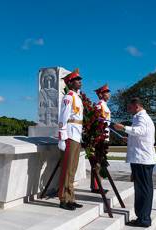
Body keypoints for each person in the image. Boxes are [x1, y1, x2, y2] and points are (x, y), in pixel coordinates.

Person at [113, 97, 156, 227]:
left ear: (136, 106)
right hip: (141, 159)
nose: (128, 109)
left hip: (142, 159)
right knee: (143, 189)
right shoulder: (139, 117)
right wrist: (130, 138)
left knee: (143, 190)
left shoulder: (141, 117)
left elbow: (140, 131)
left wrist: (123, 128)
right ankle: (142, 217)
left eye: (129, 107)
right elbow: (141, 135)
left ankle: (143, 219)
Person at [57, 68, 84, 211]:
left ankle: (71, 197)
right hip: (70, 135)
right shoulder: (69, 97)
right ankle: (63, 199)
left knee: (72, 169)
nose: (80, 82)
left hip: (77, 135)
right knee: (67, 168)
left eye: (80, 80)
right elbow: (63, 117)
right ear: (70, 82)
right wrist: (62, 137)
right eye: (77, 80)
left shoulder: (77, 97)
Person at [88, 84, 111, 194]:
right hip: (99, 137)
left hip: (105, 136)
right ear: (101, 94)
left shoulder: (105, 106)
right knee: (97, 163)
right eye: (106, 92)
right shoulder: (99, 105)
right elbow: (95, 120)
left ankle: (97, 185)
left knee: (100, 163)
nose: (109, 94)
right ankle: (96, 187)